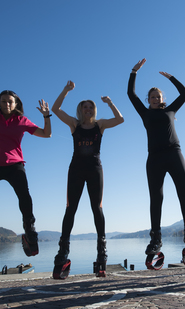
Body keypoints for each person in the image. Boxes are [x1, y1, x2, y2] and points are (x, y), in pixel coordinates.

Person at [127, 58, 185, 256]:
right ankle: (156, 239)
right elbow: (130, 94)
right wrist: (134, 72)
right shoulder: (144, 113)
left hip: (174, 154)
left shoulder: (170, 110)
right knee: (156, 198)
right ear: (148, 100)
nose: (156, 99)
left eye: (158, 96)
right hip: (155, 158)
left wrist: (172, 78)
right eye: (152, 97)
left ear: (162, 99)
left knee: (184, 194)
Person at [52, 81, 124, 269]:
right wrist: (65, 90)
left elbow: (120, 119)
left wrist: (110, 103)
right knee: (71, 208)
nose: (88, 109)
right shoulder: (74, 124)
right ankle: (63, 252)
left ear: (94, 110)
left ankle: (102, 251)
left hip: (95, 170)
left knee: (97, 208)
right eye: (85, 107)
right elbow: (56, 109)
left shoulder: (100, 126)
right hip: (75, 170)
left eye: (91, 107)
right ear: (80, 110)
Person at [0, 90, 51, 256]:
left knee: (24, 196)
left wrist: (46, 116)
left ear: (15, 105)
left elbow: (46, 134)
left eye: (10, 101)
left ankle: (29, 230)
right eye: (3, 101)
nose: (7, 104)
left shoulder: (21, 120)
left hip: (15, 164)